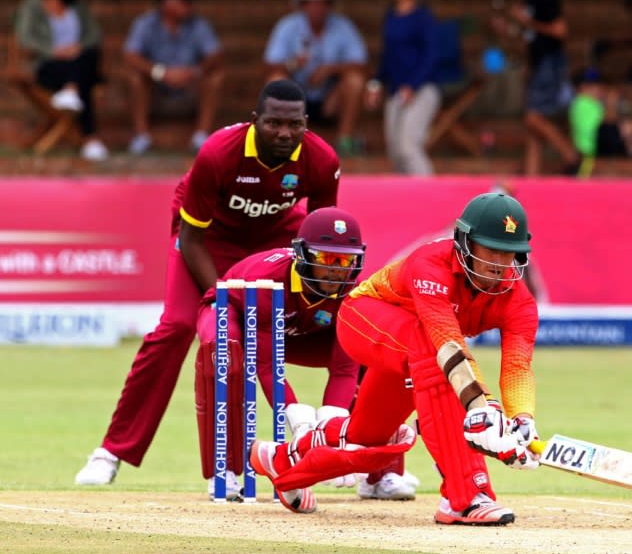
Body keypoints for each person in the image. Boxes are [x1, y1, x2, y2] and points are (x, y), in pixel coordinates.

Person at [74, 79, 341, 486]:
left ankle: (366, 463)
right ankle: (111, 451)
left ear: (306, 123)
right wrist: (225, 298)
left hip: (273, 239)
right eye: (273, 124)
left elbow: (321, 239)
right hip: (207, 239)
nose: (284, 133)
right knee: (178, 327)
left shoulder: (321, 160)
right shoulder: (219, 153)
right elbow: (191, 237)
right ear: (255, 122)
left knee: (349, 329)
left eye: (294, 125)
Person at [250, 192, 541, 525]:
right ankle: (464, 497)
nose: (500, 264)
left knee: (368, 443)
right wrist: (483, 408)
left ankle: (282, 461)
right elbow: (445, 340)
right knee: (435, 356)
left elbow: (518, 367)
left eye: (510, 253)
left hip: (417, 352)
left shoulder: (519, 302)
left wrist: (521, 422)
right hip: (363, 321)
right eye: (491, 249)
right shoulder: (430, 264)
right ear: (465, 243)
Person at [195, 206, 366, 503]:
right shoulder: (267, 282)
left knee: (373, 353)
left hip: (297, 332)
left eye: (346, 260)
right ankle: (224, 469)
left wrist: (333, 426)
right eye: (328, 258)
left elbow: (344, 369)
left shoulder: (354, 294)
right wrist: (297, 418)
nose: (338, 269)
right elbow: (265, 365)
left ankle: (379, 474)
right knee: (224, 354)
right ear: (304, 255)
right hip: (236, 315)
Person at [263, 0, 368, 157]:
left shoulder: (343, 26)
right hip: (296, 100)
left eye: (322, 3)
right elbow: (269, 65)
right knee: (276, 80)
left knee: (355, 80)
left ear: (329, 5)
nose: (317, 8)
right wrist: (293, 64)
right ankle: (280, 139)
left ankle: (345, 140)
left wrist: (330, 70)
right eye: (311, 3)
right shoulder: (287, 27)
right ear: (302, 5)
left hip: (330, 99)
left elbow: (361, 65)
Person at [122, 0, 225, 154]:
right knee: (135, 77)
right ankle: (142, 135)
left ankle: (201, 135)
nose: (189, 7)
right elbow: (130, 56)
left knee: (216, 76)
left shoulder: (198, 24)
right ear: (167, 4)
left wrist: (193, 72)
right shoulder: (146, 23)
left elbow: (216, 55)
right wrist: (160, 73)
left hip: (190, 86)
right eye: (185, 2)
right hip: (156, 87)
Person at [13, 0, 108, 161]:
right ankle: (90, 139)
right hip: (48, 64)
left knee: (88, 57)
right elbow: (25, 38)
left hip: (79, 61)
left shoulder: (77, 6)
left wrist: (77, 47)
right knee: (83, 80)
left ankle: (71, 91)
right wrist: (53, 51)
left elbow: (95, 35)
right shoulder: (31, 6)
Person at [493, 0, 580, 176]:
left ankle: (571, 157)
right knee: (532, 128)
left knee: (533, 117)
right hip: (537, 63)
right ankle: (532, 177)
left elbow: (560, 31)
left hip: (550, 63)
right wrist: (506, 30)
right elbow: (527, 37)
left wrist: (527, 21)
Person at [365, 0, 441, 176]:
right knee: (395, 151)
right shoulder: (391, 16)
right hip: (396, 91)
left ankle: (429, 192)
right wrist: (376, 83)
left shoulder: (423, 18)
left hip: (422, 90)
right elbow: (387, 57)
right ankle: (407, 198)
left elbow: (430, 56)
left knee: (409, 146)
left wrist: (412, 86)